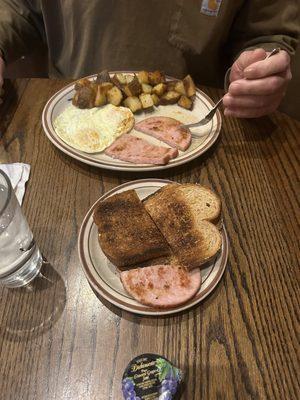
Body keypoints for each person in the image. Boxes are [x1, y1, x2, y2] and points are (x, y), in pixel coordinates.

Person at [0, 0, 299, 117]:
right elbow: (17, 6)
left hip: (199, 131)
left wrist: (258, 68)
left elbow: (266, 33)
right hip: (67, 118)